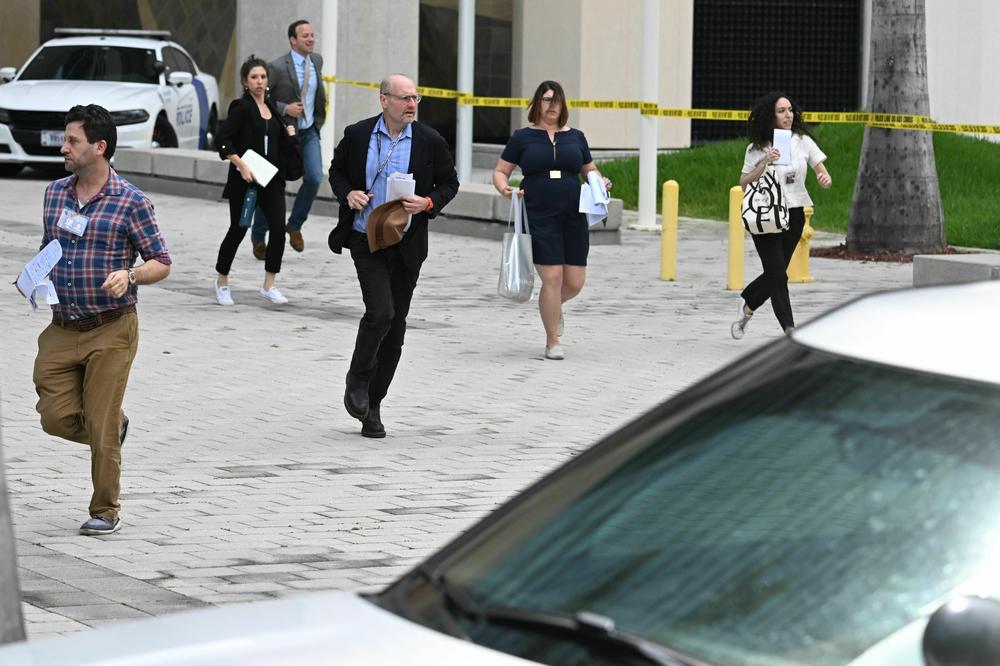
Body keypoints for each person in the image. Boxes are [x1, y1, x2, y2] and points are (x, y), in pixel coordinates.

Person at [32, 104, 171, 535]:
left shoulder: (131, 202)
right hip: (61, 325)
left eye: (72, 140)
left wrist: (130, 275)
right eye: (65, 139)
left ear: (99, 146)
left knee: (101, 416)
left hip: (112, 327)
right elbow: (48, 248)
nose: (64, 147)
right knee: (54, 417)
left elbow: (162, 262)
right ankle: (112, 428)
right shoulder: (55, 193)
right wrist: (35, 278)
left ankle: (105, 509)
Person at [328, 73, 459, 438]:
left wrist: (429, 202)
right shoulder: (358, 134)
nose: (411, 105)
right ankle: (356, 380)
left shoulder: (430, 141)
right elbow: (337, 172)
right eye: (404, 98)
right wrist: (348, 194)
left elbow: (451, 183)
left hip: (407, 244)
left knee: (396, 326)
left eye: (415, 98)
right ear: (384, 100)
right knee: (380, 313)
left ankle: (373, 404)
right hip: (365, 238)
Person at [492, 80, 611, 360]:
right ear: (537, 103)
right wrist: (504, 188)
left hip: (574, 214)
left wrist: (601, 181)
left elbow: (590, 171)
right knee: (553, 277)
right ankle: (552, 340)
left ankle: (553, 307)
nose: (552, 106)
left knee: (574, 282)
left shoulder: (576, 137)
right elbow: (500, 171)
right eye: (546, 100)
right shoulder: (522, 137)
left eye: (556, 101)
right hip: (538, 213)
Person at [732, 92, 832, 339]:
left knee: (777, 273)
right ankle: (790, 330)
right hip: (765, 214)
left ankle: (749, 304)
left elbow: (822, 172)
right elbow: (744, 183)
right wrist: (764, 161)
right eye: (781, 111)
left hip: (795, 212)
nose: (788, 115)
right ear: (770, 115)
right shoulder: (757, 148)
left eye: (790, 110)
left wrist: (824, 178)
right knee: (777, 273)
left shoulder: (802, 141)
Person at [213, 55, 300, 306]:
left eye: (262, 77)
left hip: (271, 179)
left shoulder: (272, 108)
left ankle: (269, 285)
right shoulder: (241, 108)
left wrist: (290, 136)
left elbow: (281, 142)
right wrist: (240, 165)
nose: (259, 82)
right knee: (239, 229)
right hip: (246, 180)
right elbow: (223, 141)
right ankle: (222, 281)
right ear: (245, 81)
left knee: (278, 230)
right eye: (254, 77)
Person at [249, 19, 326, 259]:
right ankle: (259, 235)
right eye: (306, 36)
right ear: (293, 40)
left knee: (314, 177)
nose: (311, 39)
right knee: (272, 186)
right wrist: (285, 109)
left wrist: (317, 120)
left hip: (310, 131)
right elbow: (262, 97)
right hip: (284, 135)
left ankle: (294, 224)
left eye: (312, 35)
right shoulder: (277, 67)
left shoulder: (317, 61)